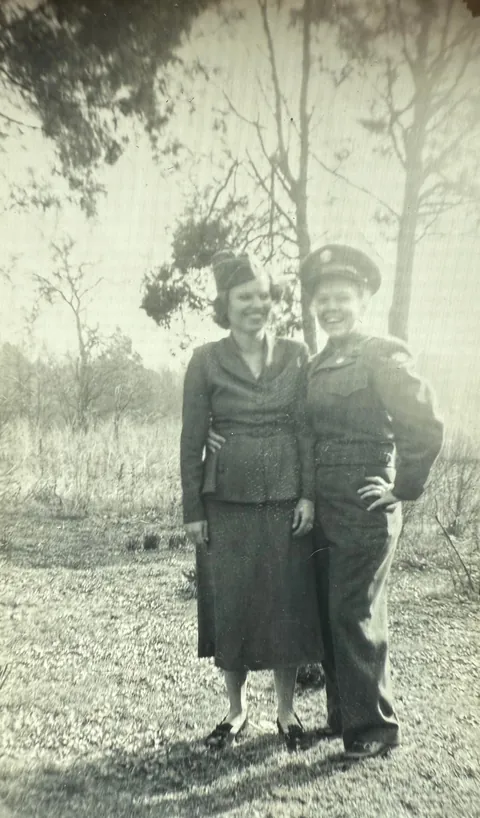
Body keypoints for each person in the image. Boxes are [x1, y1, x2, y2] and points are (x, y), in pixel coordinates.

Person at [299, 244, 444, 761]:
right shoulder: (315, 365)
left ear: (362, 300)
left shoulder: (383, 352)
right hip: (322, 503)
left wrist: (401, 488)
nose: (331, 307)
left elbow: (424, 425)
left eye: (341, 297)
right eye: (323, 299)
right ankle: (343, 716)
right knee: (327, 609)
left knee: (353, 609)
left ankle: (374, 728)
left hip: (365, 502)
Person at [180, 249, 323, 751]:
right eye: (245, 297)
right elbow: (192, 438)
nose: (257, 305)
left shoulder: (297, 354)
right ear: (226, 302)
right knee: (233, 603)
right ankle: (236, 711)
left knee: (287, 601)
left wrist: (308, 494)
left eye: (264, 295)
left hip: (285, 496)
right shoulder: (204, 360)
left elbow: (306, 429)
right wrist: (193, 511)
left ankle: (287, 712)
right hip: (227, 500)